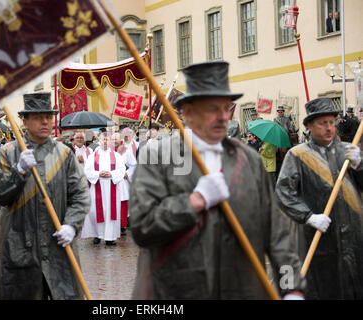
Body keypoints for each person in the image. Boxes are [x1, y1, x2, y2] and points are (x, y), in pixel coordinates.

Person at [129, 61, 305, 299]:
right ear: (188, 112)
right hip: (175, 293)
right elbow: (142, 226)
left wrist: (291, 286)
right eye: (213, 109)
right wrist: (193, 202)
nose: (224, 117)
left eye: (227, 108)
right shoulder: (157, 157)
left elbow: (276, 232)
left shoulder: (249, 160)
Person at [0, 92, 91, 300]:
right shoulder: (8, 153)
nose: (45, 122)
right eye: (38, 117)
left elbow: (80, 194)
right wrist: (18, 172)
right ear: (24, 121)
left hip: (58, 248)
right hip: (20, 249)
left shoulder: (64, 154)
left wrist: (72, 224)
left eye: (48, 117)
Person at [275, 97, 363, 299]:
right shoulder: (297, 155)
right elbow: (283, 192)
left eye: (332, 122)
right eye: (322, 123)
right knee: (326, 287)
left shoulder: (348, 150)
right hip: (320, 239)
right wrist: (308, 216)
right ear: (309, 126)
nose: (329, 128)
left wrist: (360, 165)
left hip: (354, 236)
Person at [81, 132, 126, 246]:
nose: (105, 142)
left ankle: (110, 237)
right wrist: (98, 174)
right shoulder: (93, 156)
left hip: (112, 187)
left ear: (111, 142)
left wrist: (110, 173)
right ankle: (97, 235)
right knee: (95, 211)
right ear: (99, 141)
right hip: (97, 186)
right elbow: (87, 171)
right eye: (103, 140)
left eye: (107, 140)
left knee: (110, 212)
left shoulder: (117, 156)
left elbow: (121, 170)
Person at [112, 132, 137, 235]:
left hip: (122, 181)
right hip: (110, 180)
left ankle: (122, 226)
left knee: (122, 203)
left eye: (116, 139)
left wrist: (127, 173)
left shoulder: (126, 151)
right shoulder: (107, 151)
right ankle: (112, 225)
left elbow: (134, 165)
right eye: (113, 139)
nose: (115, 141)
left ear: (120, 140)